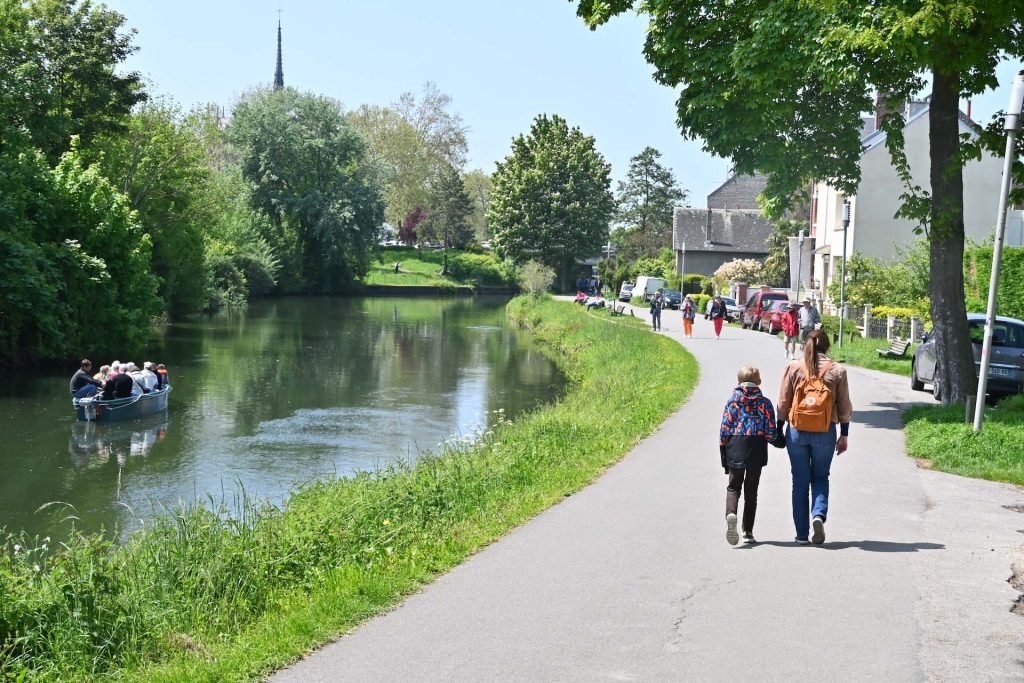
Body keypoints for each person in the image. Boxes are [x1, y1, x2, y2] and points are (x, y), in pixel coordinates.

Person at [777, 330, 853, 544]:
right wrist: (844, 434)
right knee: (820, 477)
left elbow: (784, 401)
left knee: (799, 481)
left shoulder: (794, 367)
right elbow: (844, 405)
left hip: (796, 431)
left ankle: (801, 535)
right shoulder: (837, 370)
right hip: (825, 431)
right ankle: (818, 515)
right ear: (827, 347)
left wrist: (779, 426)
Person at [720, 365, 779, 545]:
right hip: (756, 448)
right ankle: (748, 531)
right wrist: (780, 441)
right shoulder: (765, 403)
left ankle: (731, 514)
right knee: (751, 491)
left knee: (733, 486)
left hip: (735, 446)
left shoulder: (732, 402)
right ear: (759, 382)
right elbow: (770, 432)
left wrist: (724, 449)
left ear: (738, 382)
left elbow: (724, 429)